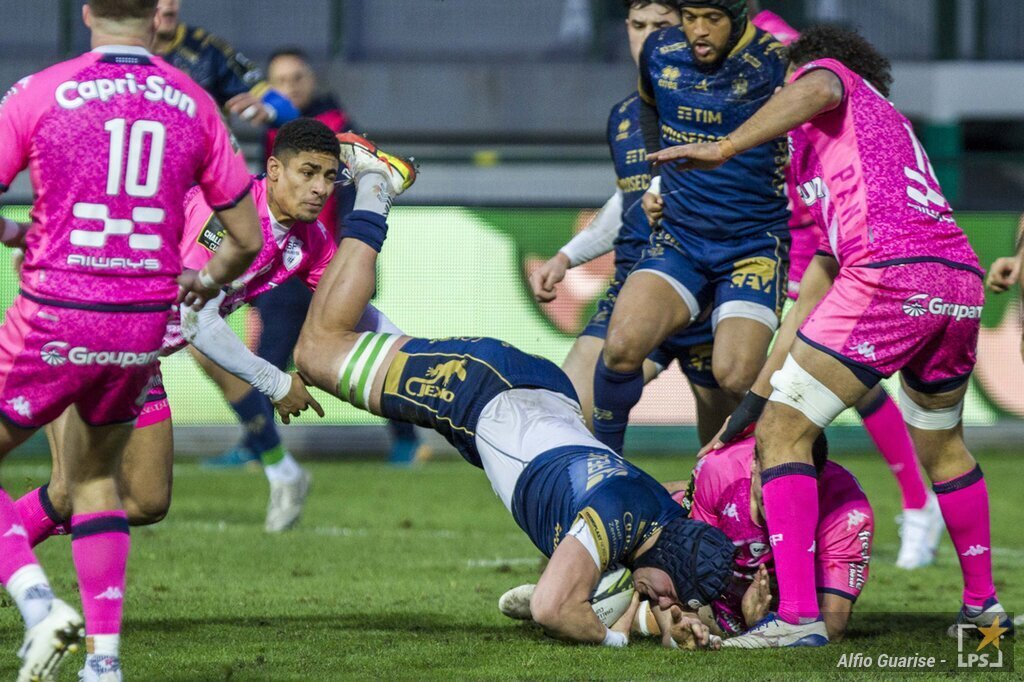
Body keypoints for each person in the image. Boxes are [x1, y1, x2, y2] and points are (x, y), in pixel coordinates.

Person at [288, 133, 736, 647]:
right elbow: (551, 608)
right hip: (485, 394)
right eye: (671, 597)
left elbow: (651, 568)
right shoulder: (617, 518)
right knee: (318, 352)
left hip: (530, 398)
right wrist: (615, 639)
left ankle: (326, 262)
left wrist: (674, 623)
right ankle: (376, 183)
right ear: (670, 560)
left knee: (348, 346)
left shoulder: (663, 514)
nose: (665, 603)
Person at [652, 25, 1012, 646]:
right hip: (955, 279)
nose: (782, 90)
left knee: (784, 436)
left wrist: (725, 146)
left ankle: (796, 619)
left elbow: (818, 86)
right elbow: (812, 297)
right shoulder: (862, 144)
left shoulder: (830, 80)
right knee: (945, 449)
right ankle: (983, 607)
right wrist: (750, 405)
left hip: (891, 271)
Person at [0, 0, 262, 678]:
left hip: (57, 309)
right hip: (141, 320)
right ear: (156, 16)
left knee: (90, 480)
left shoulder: (41, 90)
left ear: (88, 11)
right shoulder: (194, 101)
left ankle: (37, 606)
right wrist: (205, 281)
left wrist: (14, 232)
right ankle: (104, 665)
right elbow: (246, 238)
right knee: (94, 479)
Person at [14, 120, 403, 543]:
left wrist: (408, 356)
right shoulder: (227, 214)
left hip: (138, 357)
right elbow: (195, 318)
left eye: (329, 177)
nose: (320, 188)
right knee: (69, 490)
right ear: (275, 170)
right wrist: (276, 383)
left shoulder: (310, 240)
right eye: (307, 172)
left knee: (147, 501)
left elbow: (350, 310)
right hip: (85, 328)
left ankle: (15, 539)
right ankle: (13, 553)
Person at [749, 1, 941, 570]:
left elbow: (823, 97)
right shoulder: (687, 46)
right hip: (786, 225)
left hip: (830, 228)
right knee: (803, 372)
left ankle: (916, 503)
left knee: (845, 375)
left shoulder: (775, 39)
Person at [530, 0, 735, 446]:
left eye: (662, 25)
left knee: (724, 456)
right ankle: (604, 492)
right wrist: (567, 256)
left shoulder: (727, 104)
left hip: (708, 294)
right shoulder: (624, 115)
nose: (648, 36)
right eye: (638, 25)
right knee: (562, 417)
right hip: (634, 288)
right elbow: (630, 198)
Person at [590, 0, 789, 455]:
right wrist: (657, 180)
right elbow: (649, 107)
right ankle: (607, 470)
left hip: (751, 246)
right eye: (690, 17)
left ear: (738, 19)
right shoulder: (660, 51)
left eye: (712, 19)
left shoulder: (775, 61)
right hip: (680, 239)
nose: (698, 30)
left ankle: (798, 463)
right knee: (620, 346)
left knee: (735, 376)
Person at [498, 435, 872, 645]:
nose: (777, 499)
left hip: (758, 603)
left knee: (689, 626)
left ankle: (592, 603)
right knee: (655, 567)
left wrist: (760, 624)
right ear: (754, 463)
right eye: (768, 484)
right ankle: (575, 593)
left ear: (816, 479)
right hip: (714, 584)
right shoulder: (720, 473)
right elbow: (686, 568)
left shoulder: (847, 513)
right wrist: (684, 623)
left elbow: (831, 627)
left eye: (791, 489)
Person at [151, 0, 298, 125]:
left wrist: (269, 111)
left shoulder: (208, 50)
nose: (168, 2)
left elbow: (288, 111)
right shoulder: (136, 54)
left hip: (202, 149)